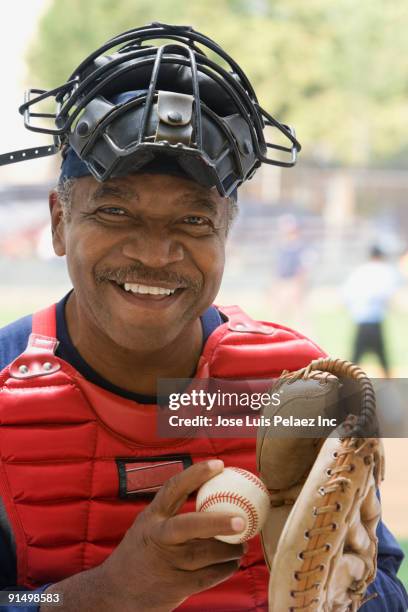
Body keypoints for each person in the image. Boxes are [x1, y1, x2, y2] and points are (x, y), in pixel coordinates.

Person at [0, 23, 406, 612]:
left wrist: (342, 588)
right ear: (60, 222)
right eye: (115, 211)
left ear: (227, 235)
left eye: (193, 222)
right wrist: (111, 592)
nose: (155, 253)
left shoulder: (288, 383)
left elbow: (386, 586)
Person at [342, 246, 400, 377]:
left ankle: (343, 389)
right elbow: (387, 294)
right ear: (380, 257)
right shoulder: (384, 271)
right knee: (383, 359)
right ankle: (390, 388)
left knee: (354, 359)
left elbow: (346, 294)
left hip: (361, 320)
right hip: (375, 321)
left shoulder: (359, 271)